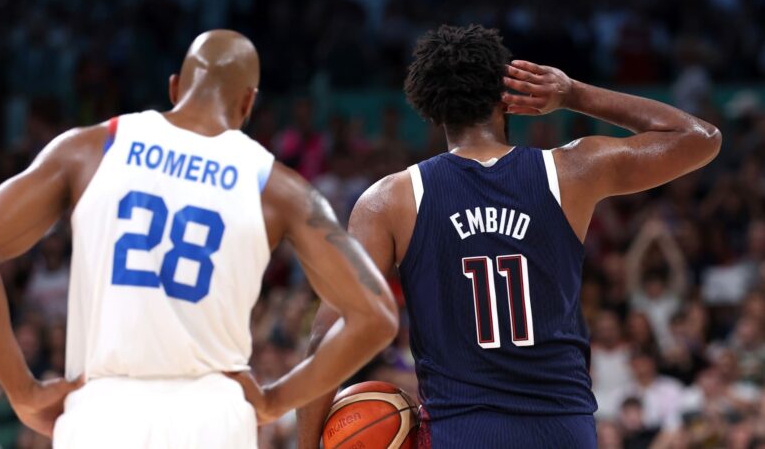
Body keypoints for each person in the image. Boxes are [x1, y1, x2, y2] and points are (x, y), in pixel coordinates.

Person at [0, 30, 398, 448]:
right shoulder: (278, 187)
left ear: (175, 87)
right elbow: (375, 316)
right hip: (212, 416)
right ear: (247, 103)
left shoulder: (89, 148)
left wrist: (22, 392)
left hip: (102, 413)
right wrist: (275, 401)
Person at [296, 24, 721, 448]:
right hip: (562, 429)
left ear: (431, 110)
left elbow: (326, 335)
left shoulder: (388, 200)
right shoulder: (570, 172)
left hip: (461, 432)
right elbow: (700, 139)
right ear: (509, 97)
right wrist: (574, 94)